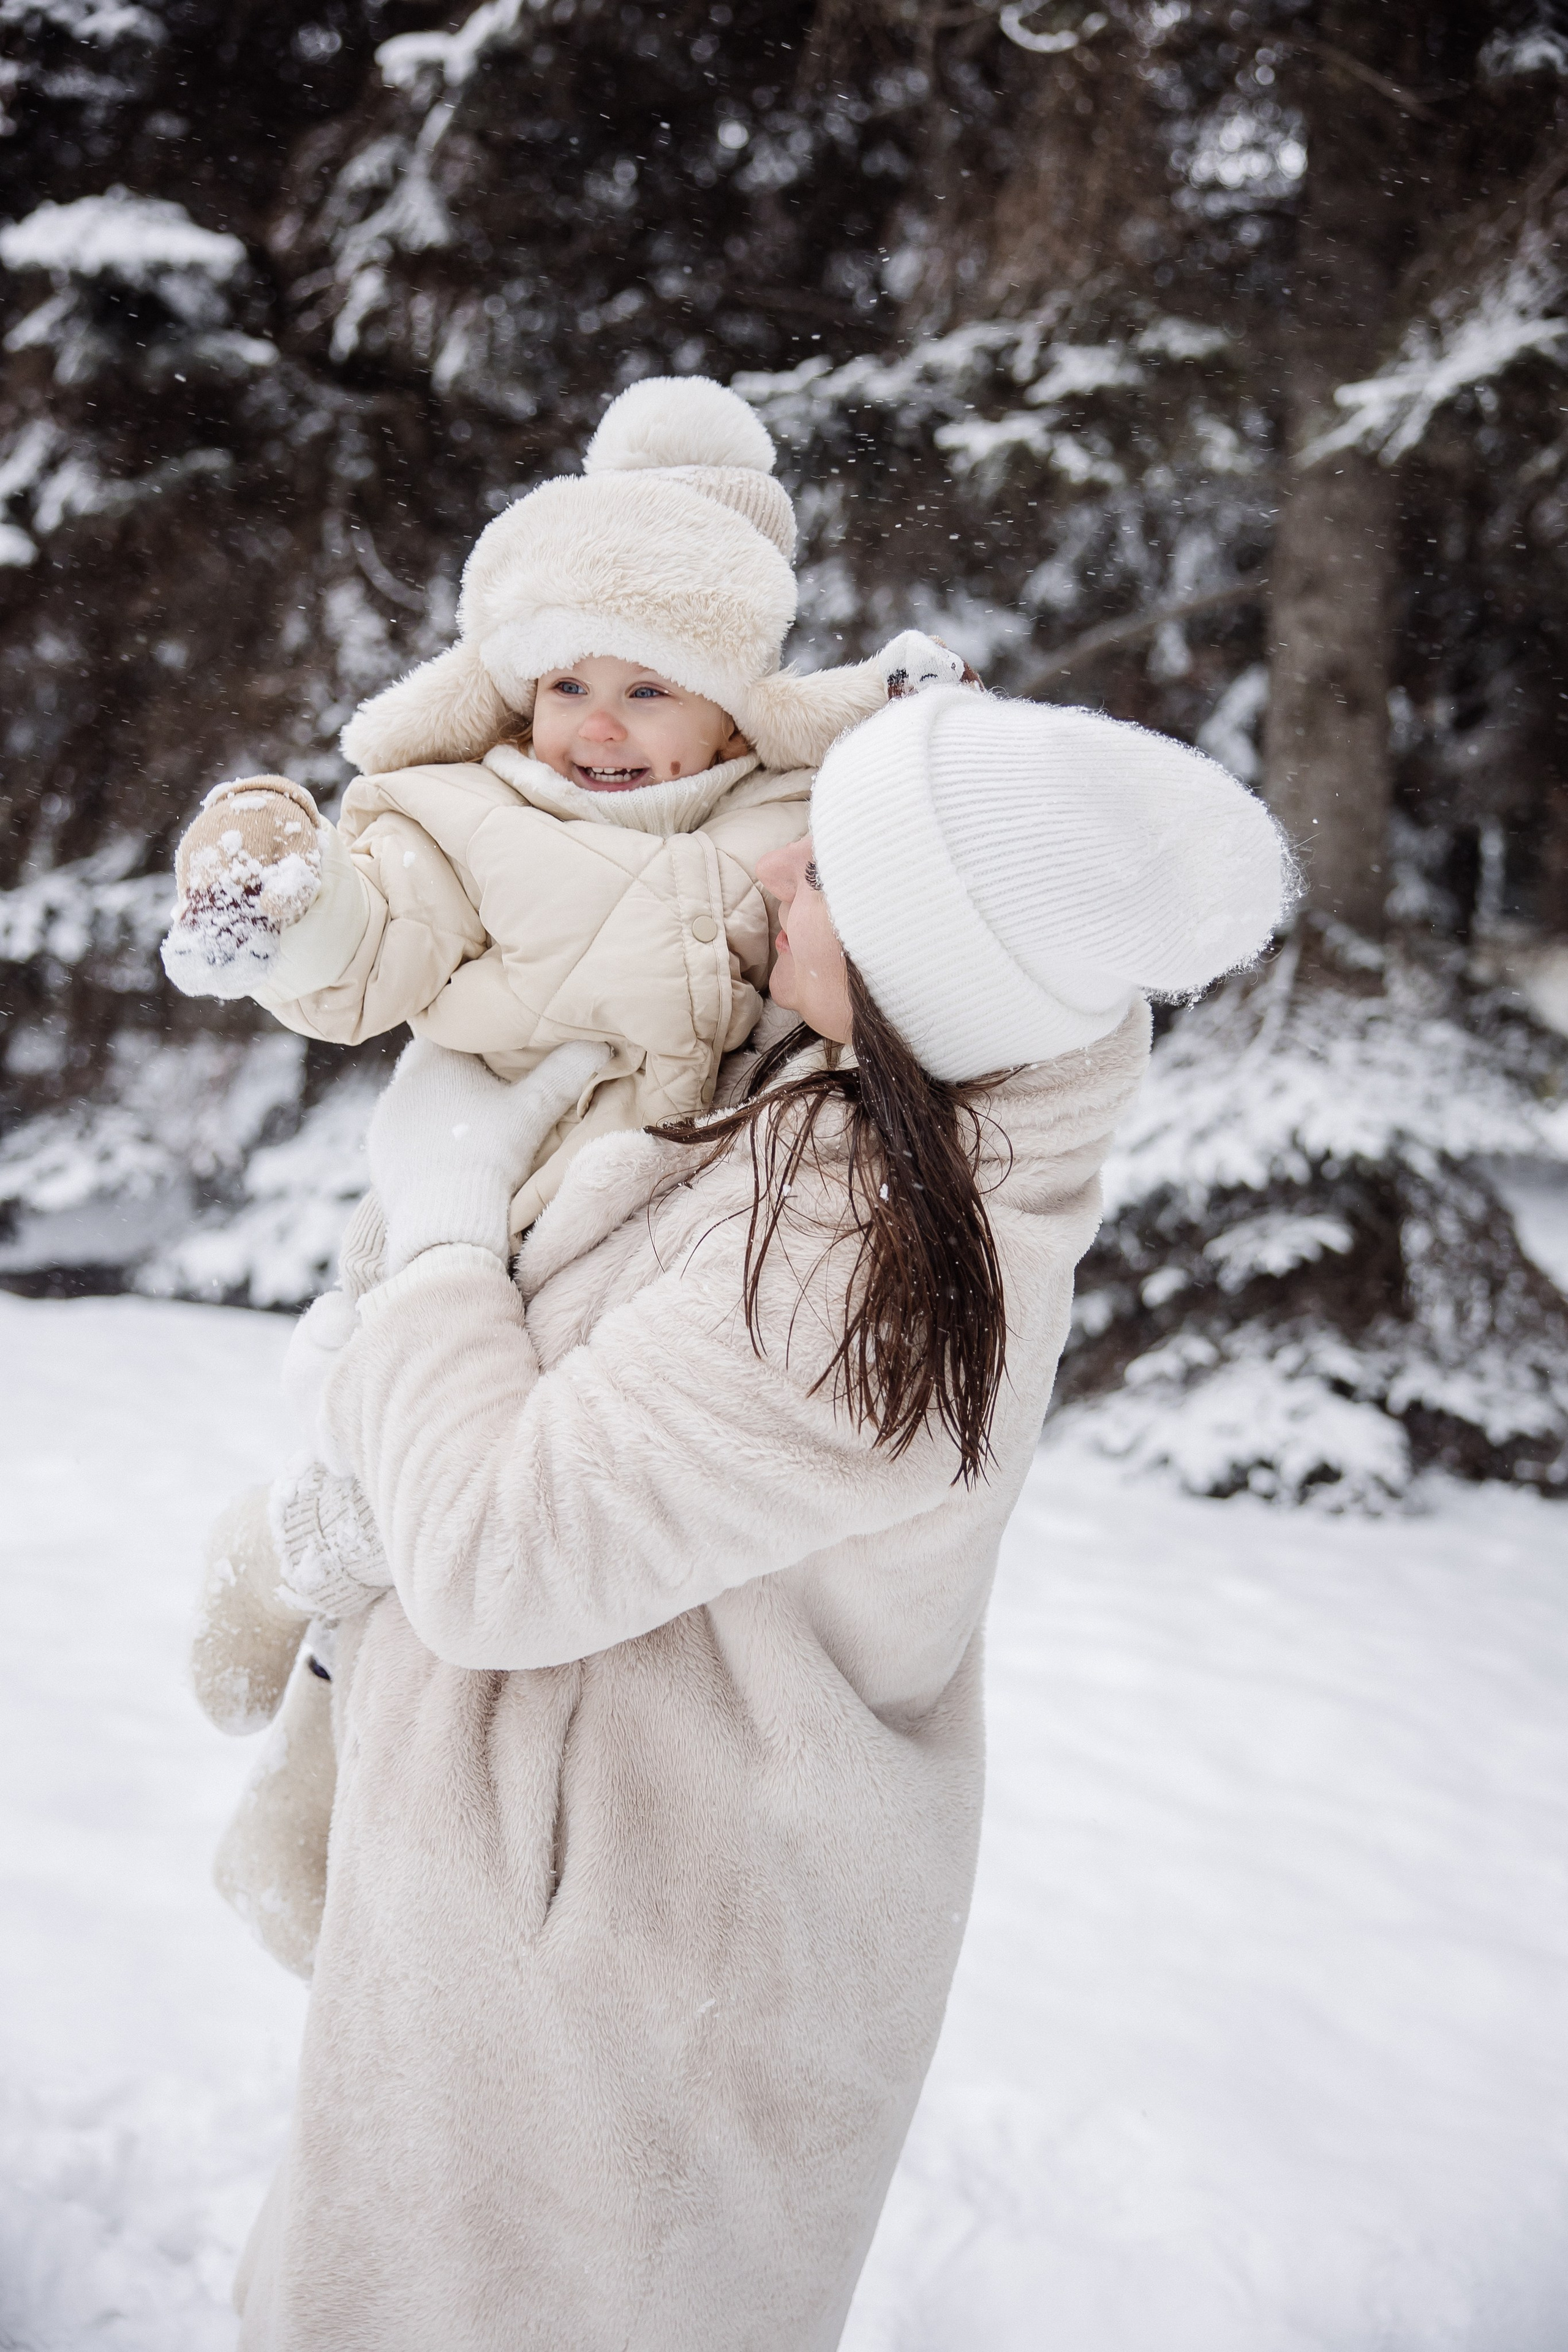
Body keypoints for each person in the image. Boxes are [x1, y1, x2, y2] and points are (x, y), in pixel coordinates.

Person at [229, 680, 1287, 2350]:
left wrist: (437, 1228)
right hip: (594, 1943)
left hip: (611, 2024)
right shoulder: (903, 1102)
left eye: (835, 872)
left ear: (911, 968)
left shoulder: (862, 1259)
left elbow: (502, 1557)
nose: (780, 860)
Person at [169, 373, 963, 1966]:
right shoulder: (459, 814)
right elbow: (369, 948)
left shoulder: (789, 818)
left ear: (737, 704)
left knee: (488, 1537)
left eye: (649, 689)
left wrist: (931, 744)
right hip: (476, 1210)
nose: (595, 725)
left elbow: (905, 885)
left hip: (648, 1240)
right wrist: (294, 897)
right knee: (391, 1493)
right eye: (565, 684)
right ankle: (279, 1583)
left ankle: (326, 1780)